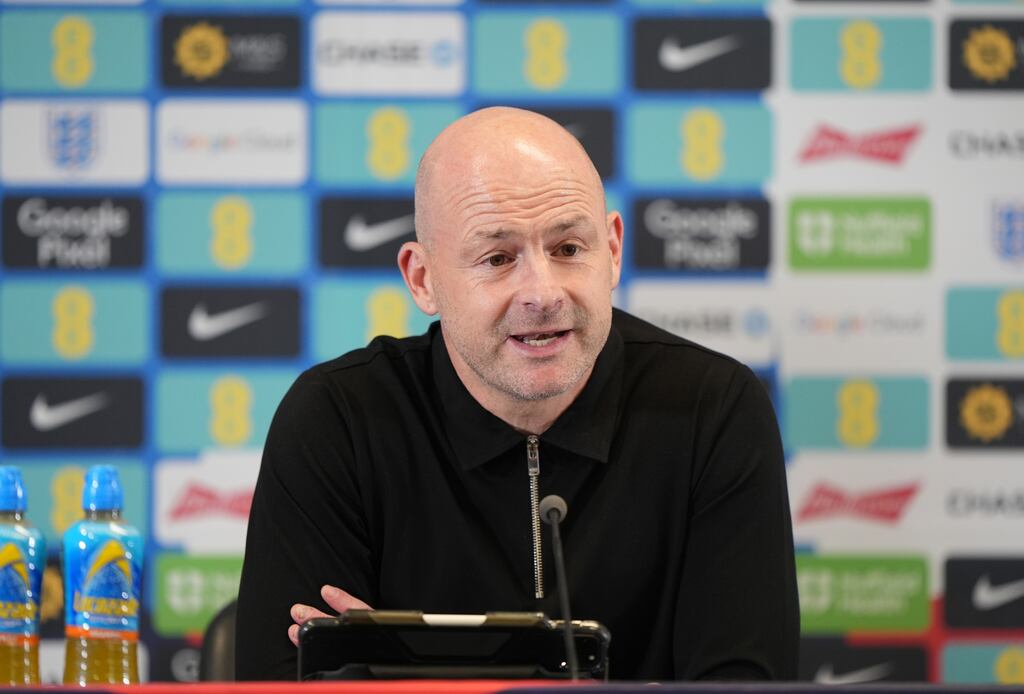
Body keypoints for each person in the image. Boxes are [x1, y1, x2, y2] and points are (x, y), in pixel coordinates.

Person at [235, 107, 799, 681]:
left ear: (612, 248)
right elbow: (279, 682)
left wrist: (403, 682)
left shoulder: (713, 409)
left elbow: (742, 685)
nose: (542, 293)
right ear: (422, 279)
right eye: (498, 258)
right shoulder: (339, 420)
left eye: (568, 248)